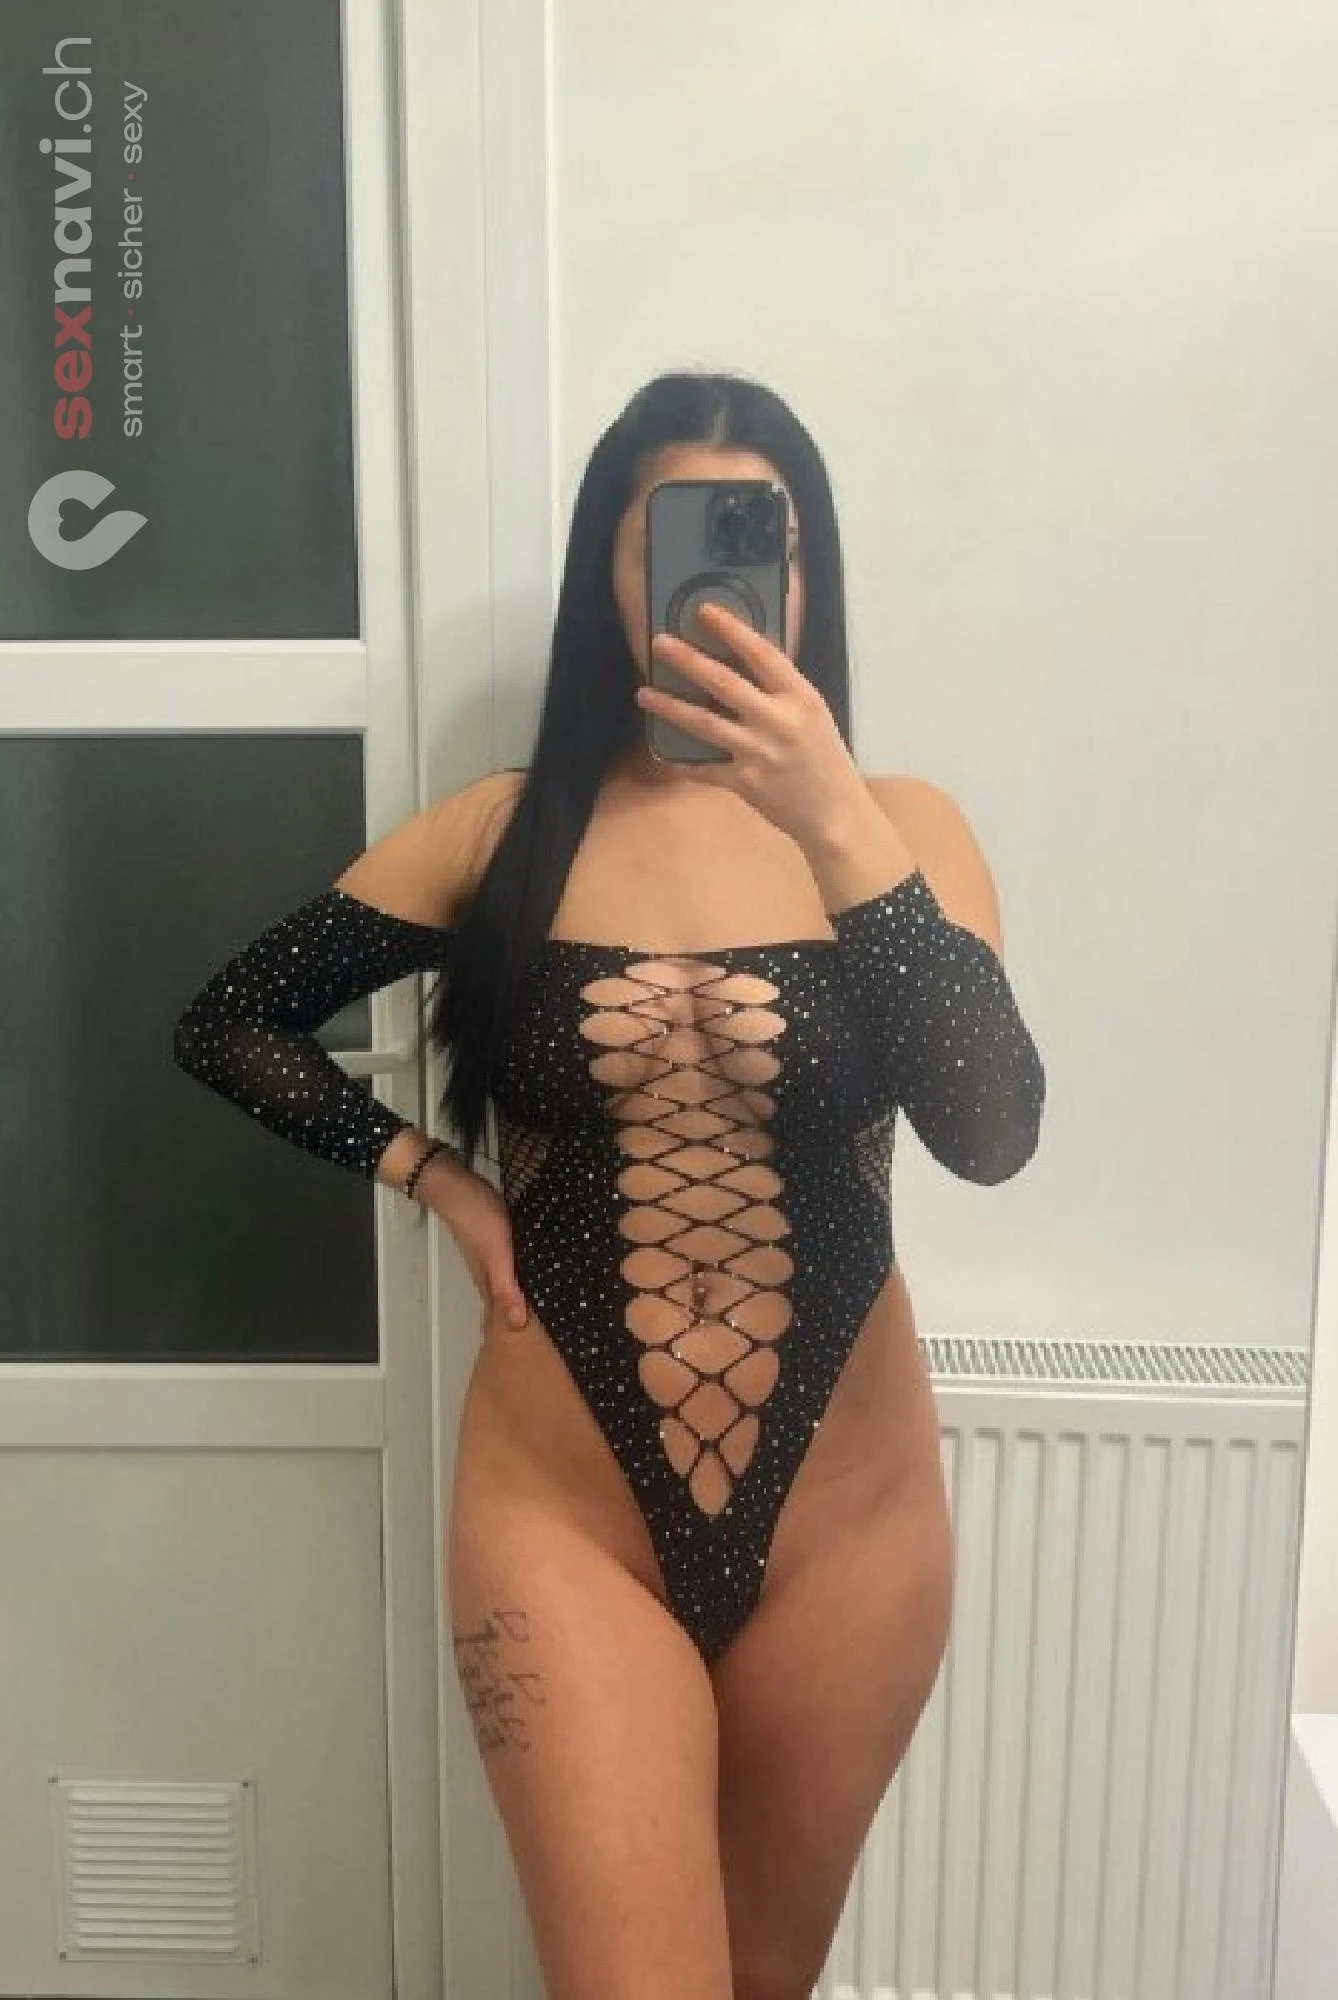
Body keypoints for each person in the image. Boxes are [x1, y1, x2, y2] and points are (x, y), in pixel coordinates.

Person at [172, 370, 1045, 2000]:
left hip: (849, 1531)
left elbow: (989, 1129)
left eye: (766, 540)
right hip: (563, 1523)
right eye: (676, 538)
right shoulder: (503, 834)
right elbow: (231, 1022)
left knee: (765, 1984)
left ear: (809, 571)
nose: (723, 581)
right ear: (612, 574)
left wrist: (832, 822)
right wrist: (436, 1179)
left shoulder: (902, 829)